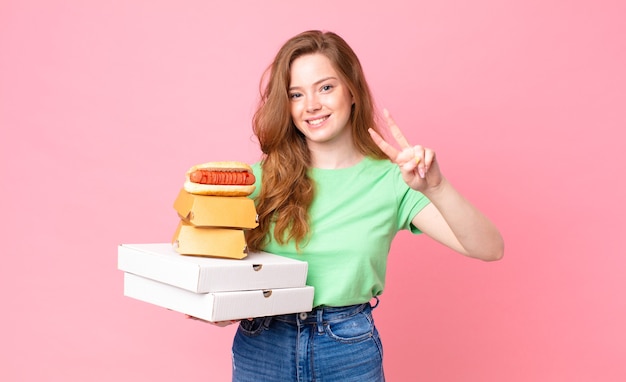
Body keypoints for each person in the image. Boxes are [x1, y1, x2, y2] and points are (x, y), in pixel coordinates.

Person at [198, 30, 504, 382]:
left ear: (352, 90)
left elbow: (490, 248)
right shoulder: (260, 179)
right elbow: (215, 261)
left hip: (345, 346)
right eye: (296, 94)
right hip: (263, 343)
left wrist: (436, 186)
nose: (311, 105)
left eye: (325, 88)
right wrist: (214, 303)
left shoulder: (394, 181)